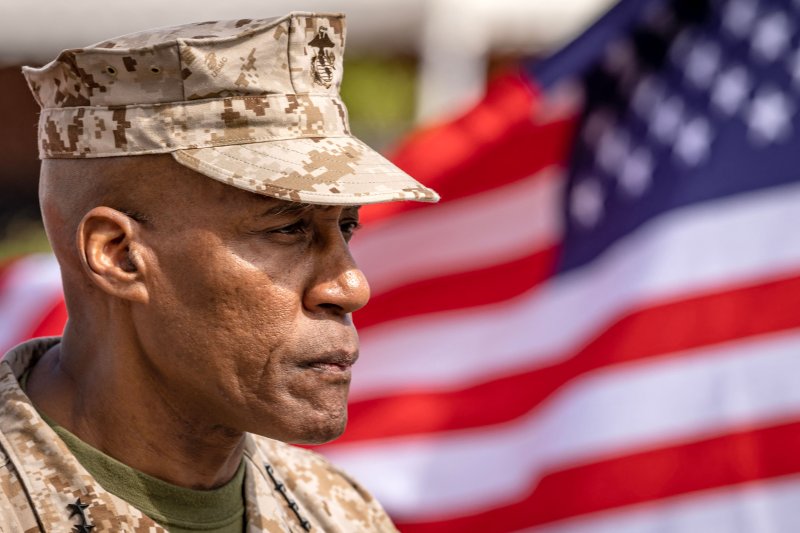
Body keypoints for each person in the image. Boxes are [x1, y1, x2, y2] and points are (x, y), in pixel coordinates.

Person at [2, 12, 438, 532]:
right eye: (286, 230)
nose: (350, 286)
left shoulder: (339, 512)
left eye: (345, 228)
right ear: (118, 254)